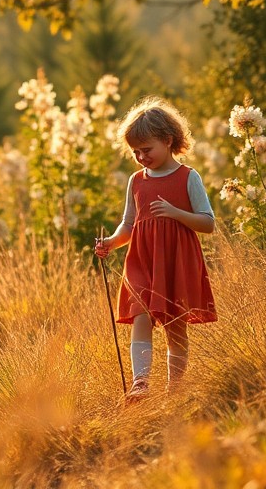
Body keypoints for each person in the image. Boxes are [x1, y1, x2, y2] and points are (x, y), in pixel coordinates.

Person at [93, 96, 217, 400]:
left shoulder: (188, 177)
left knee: (175, 325)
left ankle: (175, 389)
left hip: (176, 260)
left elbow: (208, 223)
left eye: (146, 150)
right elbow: (129, 224)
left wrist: (176, 213)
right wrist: (111, 242)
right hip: (142, 260)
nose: (141, 157)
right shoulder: (136, 181)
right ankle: (141, 383)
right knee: (141, 314)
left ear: (168, 140)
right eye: (135, 152)